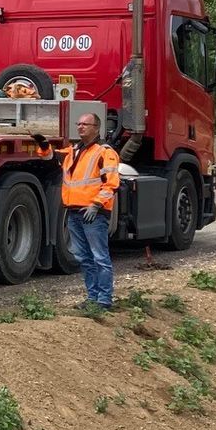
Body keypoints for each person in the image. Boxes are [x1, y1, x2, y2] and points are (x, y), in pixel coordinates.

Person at [55, 111, 120, 312]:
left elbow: (111, 184)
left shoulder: (104, 152)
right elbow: (51, 155)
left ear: (96, 128)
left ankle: (104, 300)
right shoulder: (74, 151)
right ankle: (93, 298)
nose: (80, 126)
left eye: (85, 124)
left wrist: (96, 205)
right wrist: (40, 144)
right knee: (84, 258)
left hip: (93, 214)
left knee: (99, 257)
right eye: (79, 123)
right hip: (74, 212)